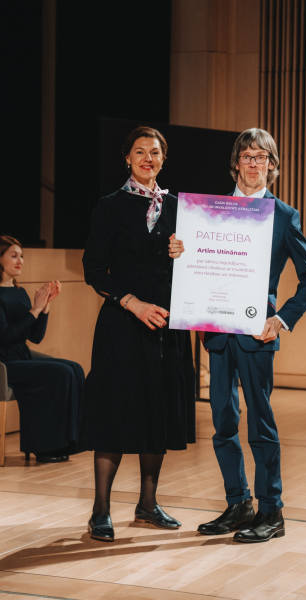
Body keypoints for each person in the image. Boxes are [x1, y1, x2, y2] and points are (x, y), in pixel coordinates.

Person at [197, 128, 306, 543]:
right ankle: (238, 504)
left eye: (262, 157)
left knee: (261, 424)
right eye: (247, 156)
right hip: (218, 332)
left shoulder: (284, 216)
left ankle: (272, 511)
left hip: (257, 333)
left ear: (272, 165)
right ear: (236, 163)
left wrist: (281, 319)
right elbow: (199, 267)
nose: (254, 163)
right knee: (222, 422)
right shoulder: (209, 211)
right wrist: (180, 253)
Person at [81, 126, 195, 542]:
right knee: (115, 409)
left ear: (164, 159)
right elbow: (94, 270)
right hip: (123, 320)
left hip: (167, 322)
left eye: (156, 152)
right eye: (140, 151)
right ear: (127, 158)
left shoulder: (181, 208)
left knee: (157, 409)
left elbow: (199, 267)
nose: (148, 158)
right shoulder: (109, 206)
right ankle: (100, 510)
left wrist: (186, 255)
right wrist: (133, 304)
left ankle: (148, 503)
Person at [0, 235, 84, 463]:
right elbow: (5, 337)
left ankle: (69, 442)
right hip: (5, 363)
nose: (20, 261)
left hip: (21, 357)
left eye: (22, 256)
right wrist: (35, 310)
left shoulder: (19, 292)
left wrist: (44, 308)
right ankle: (45, 447)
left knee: (75, 369)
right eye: (14, 256)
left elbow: (35, 337)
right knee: (61, 372)